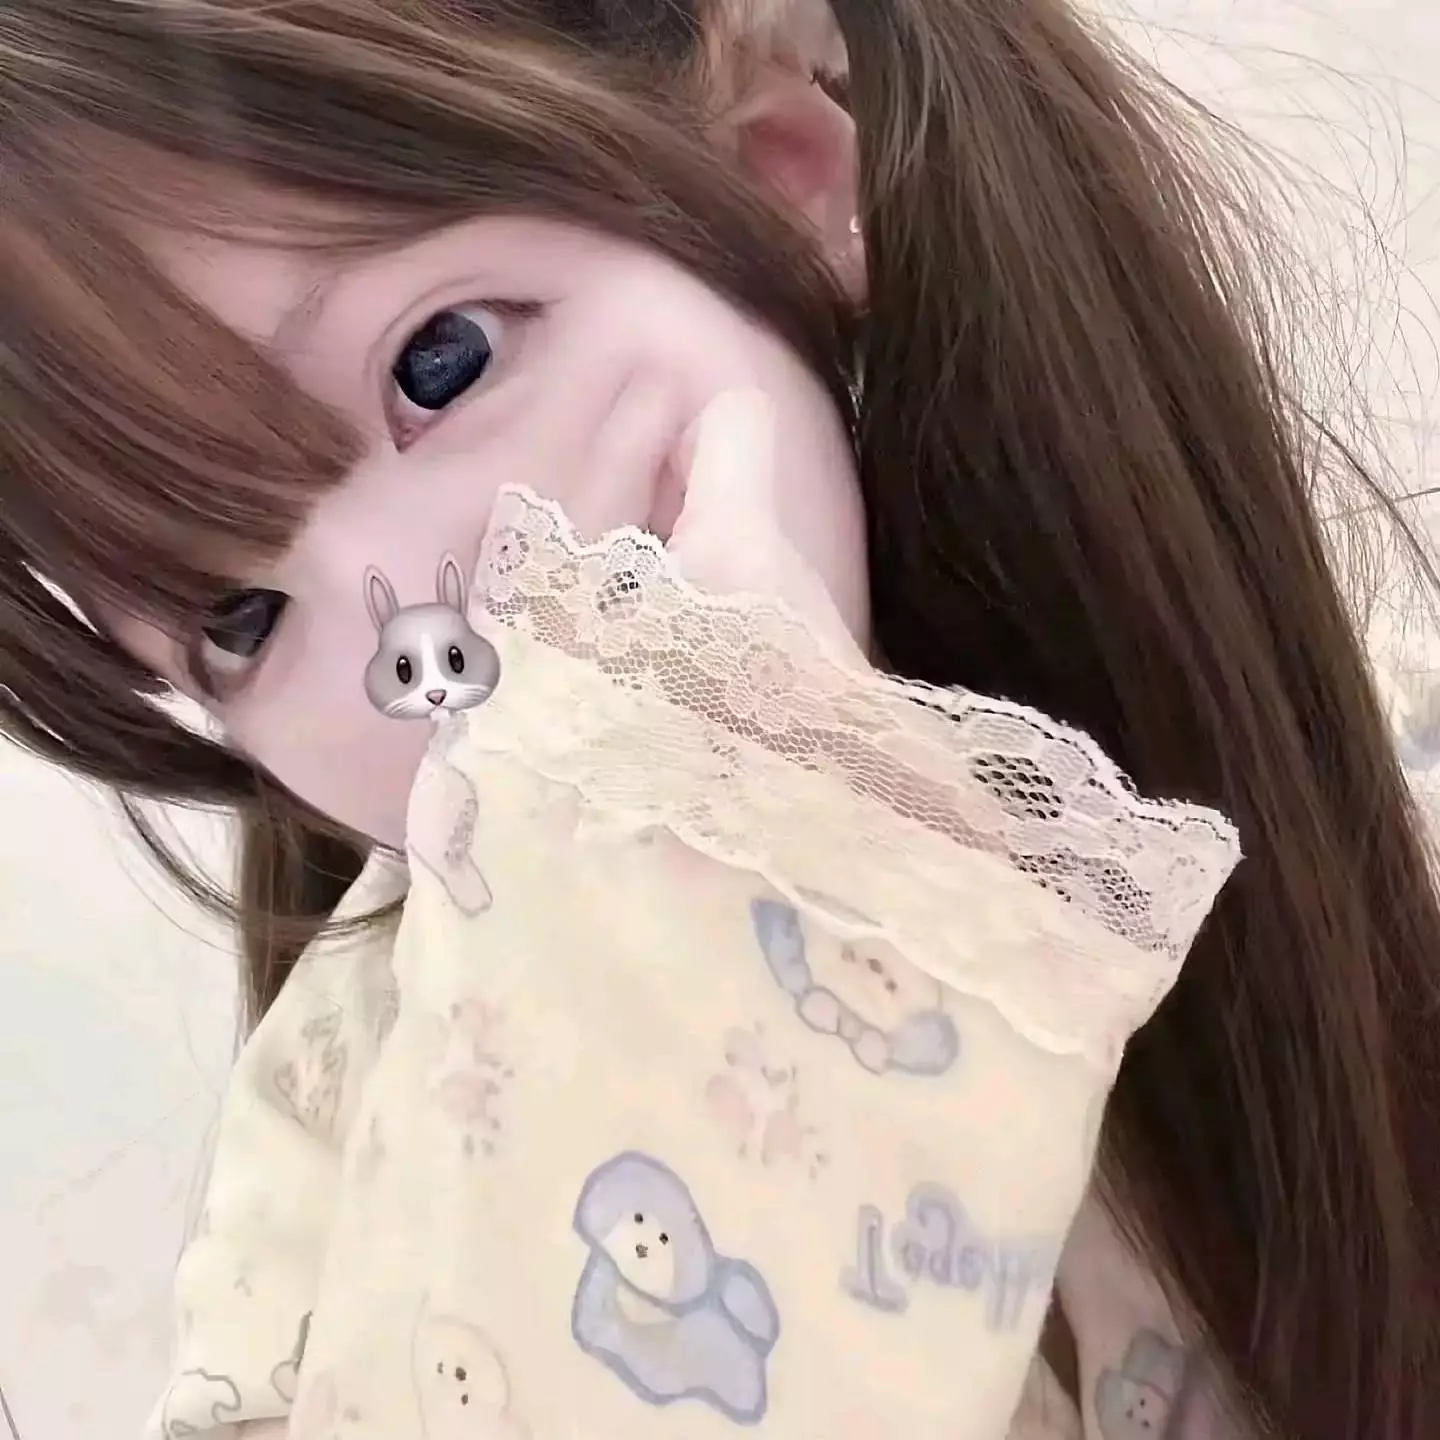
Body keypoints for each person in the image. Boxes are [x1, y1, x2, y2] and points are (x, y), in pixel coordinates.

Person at [0, 0, 1435, 1435]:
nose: (414, 640)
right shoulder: (328, 1144)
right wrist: (691, 916)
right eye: (240, 621)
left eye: (444, 359)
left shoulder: (1359, 801)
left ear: (777, 168)